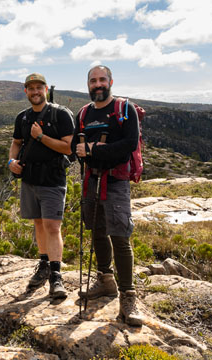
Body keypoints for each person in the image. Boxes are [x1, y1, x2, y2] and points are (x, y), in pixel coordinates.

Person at [74, 65, 143, 326]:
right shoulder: (83, 113)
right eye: (93, 81)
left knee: (120, 236)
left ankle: (128, 296)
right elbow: (74, 148)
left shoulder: (125, 110)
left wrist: (93, 149)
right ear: (88, 84)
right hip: (91, 179)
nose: (98, 84)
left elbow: (128, 145)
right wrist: (86, 150)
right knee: (97, 231)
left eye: (102, 79)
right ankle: (106, 281)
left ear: (111, 81)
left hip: (116, 181)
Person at [8, 73, 74, 299]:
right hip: (30, 179)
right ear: (26, 91)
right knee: (38, 222)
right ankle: (44, 264)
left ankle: (56, 276)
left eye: (39, 87)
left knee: (53, 227)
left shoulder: (61, 114)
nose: (35, 92)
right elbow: (16, 143)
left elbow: (68, 148)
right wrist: (11, 162)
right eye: (31, 88)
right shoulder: (23, 118)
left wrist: (41, 136)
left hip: (52, 179)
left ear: (45, 89)